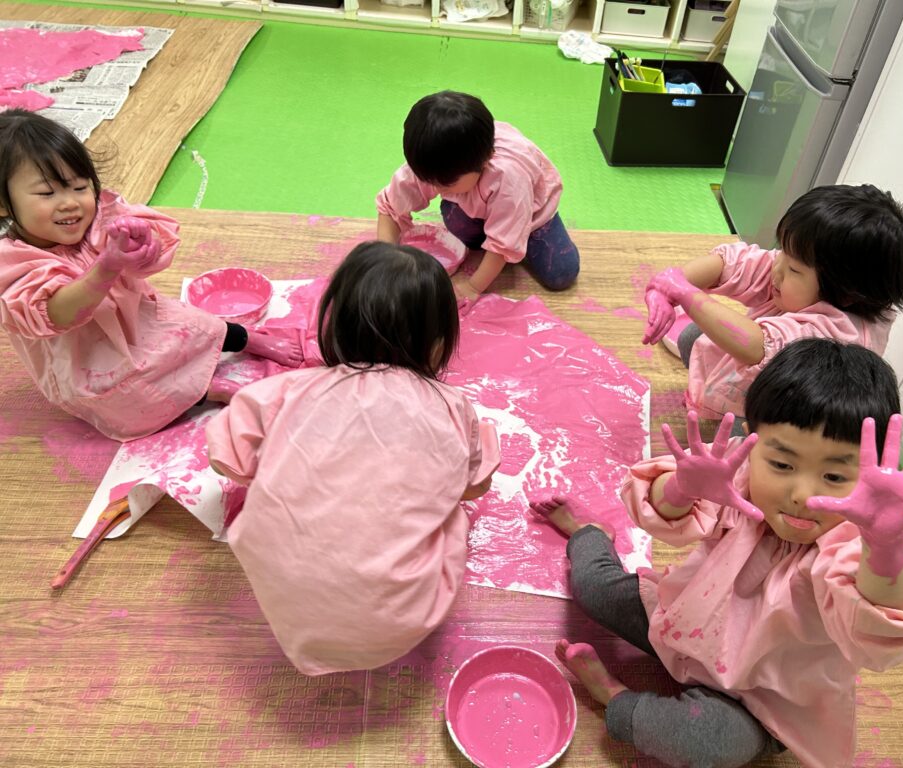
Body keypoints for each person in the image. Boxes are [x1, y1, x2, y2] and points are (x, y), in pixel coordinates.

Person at [529, 339, 903, 768]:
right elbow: (661, 512)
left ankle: (614, 697)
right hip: (679, 628)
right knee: (592, 586)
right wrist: (682, 487)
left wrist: (885, 544)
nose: (802, 494)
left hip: (763, 700)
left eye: (834, 475)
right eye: (782, 465)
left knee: (707, 744)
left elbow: (883, 614)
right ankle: (588, 533)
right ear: (752, 441)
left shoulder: (852, 542)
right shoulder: (740, 479)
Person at [205, 241, 501, 675]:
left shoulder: (284, 390)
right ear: (439, 345)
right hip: (402, 621)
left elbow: (225, 460)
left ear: (334, 327)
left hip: (283, 593)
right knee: (451, 511)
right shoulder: (453, 408)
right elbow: (476, 487)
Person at [0, 109, 302, 441]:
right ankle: (206, 391)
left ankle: (247, 338)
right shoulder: (12, 263)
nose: (70, 203)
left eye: (79, 186)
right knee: (125, 397)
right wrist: (105, 269)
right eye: (47, 193)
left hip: (143, 318)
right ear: (3, 203)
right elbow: (59, 313)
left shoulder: (102, 219)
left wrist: (144, 245)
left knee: (198, 326)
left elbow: (150, 260)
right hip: (85, 357)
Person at [643, 184, 903, 437]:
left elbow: (756, 346)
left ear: (845, 294)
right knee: (694, 335)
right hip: (765, 379)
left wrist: (684, 292)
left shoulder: (838, 335)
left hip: (790, 422)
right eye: (782, 252)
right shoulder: (807, 277)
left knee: (746, 445)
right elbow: (734, 264)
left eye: (793, 269)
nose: (776, 269)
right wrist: (669, 286)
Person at [376, 90, 580, 300]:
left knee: (561, 274)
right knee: (457, 217)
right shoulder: (434, 159)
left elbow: (503, 243)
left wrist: (473, 287)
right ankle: (491, 234)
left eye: (446, 185)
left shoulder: (508, 177)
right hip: (485, 203)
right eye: (430, 182)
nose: (437, 189)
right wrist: (386, 259)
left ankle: (521, 238)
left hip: (533, 215)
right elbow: (390, 207)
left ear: (485, 159)